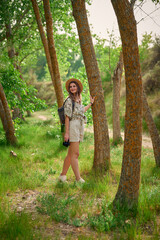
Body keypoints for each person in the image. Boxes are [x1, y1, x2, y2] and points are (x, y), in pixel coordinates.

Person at [59, 78, 95, 183]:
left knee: (70, 154)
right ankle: (78, 179)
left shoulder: (78, 98)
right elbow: (67, 117)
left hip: (79, 126)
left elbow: (81, 111)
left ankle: (62, 176)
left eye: (74, 86)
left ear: (77, 87)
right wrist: (66, 133)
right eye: (70, 87)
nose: (72, 88)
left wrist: (90, 104)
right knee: (76, 154)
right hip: (72, 126)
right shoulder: (69, 100)